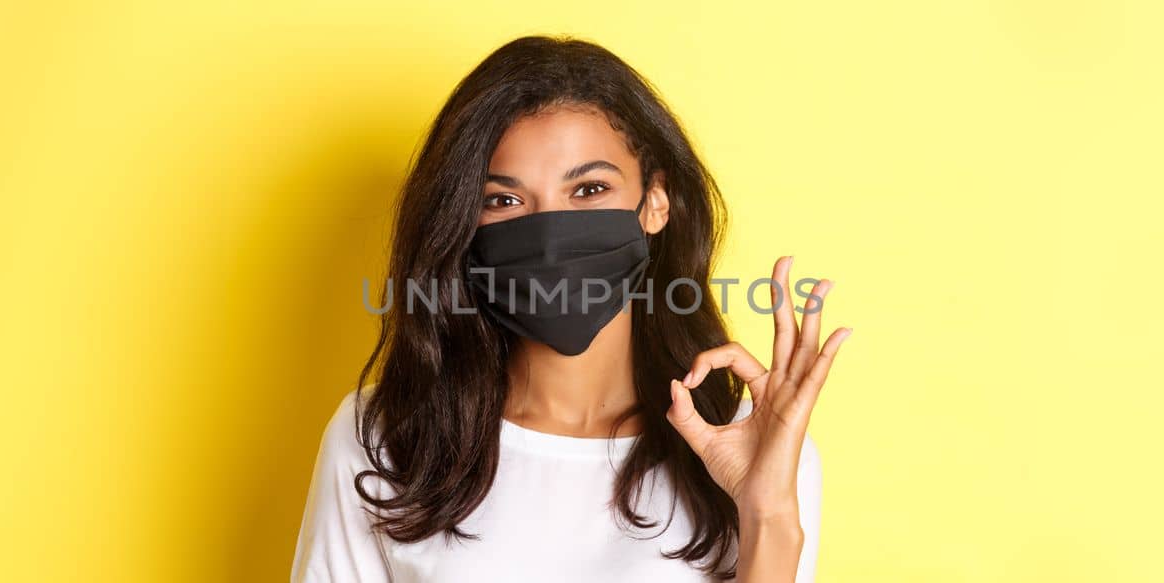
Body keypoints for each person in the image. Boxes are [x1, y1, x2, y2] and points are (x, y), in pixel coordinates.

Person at [292, 35, 850, 583]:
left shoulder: (752, 448)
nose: (551, 237)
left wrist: (769, 514)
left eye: (588, 190)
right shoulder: (385, 437)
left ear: (656, 200)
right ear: (464, 225)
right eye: (504, 200)